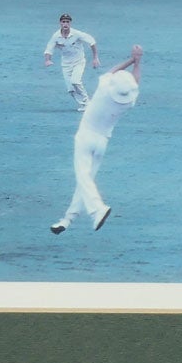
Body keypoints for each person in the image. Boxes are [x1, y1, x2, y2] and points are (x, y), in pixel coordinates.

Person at [51, 44, 142, 234]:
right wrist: (138, 62)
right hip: (102, 142)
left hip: (85, 137)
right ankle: (68, 219)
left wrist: (131, 59)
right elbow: (135, 83)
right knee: (86, 180)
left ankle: (97, 209)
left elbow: (112, 71)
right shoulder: (128, 102)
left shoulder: (104, 89)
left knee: (83, 177)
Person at [43, 13, 100, 112]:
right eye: (63, 22)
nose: (65, 24)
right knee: (71, 89)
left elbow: (91, 41)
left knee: (75, 81)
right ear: (60, 23)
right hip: (66, 64)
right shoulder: (56, 36)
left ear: (70, 23)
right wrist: (48, 60)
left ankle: (88, 103)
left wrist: (95, 58)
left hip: (79, 62)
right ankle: (84, 105)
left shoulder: (76, 34)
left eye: (67, 22)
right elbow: (49, 48)